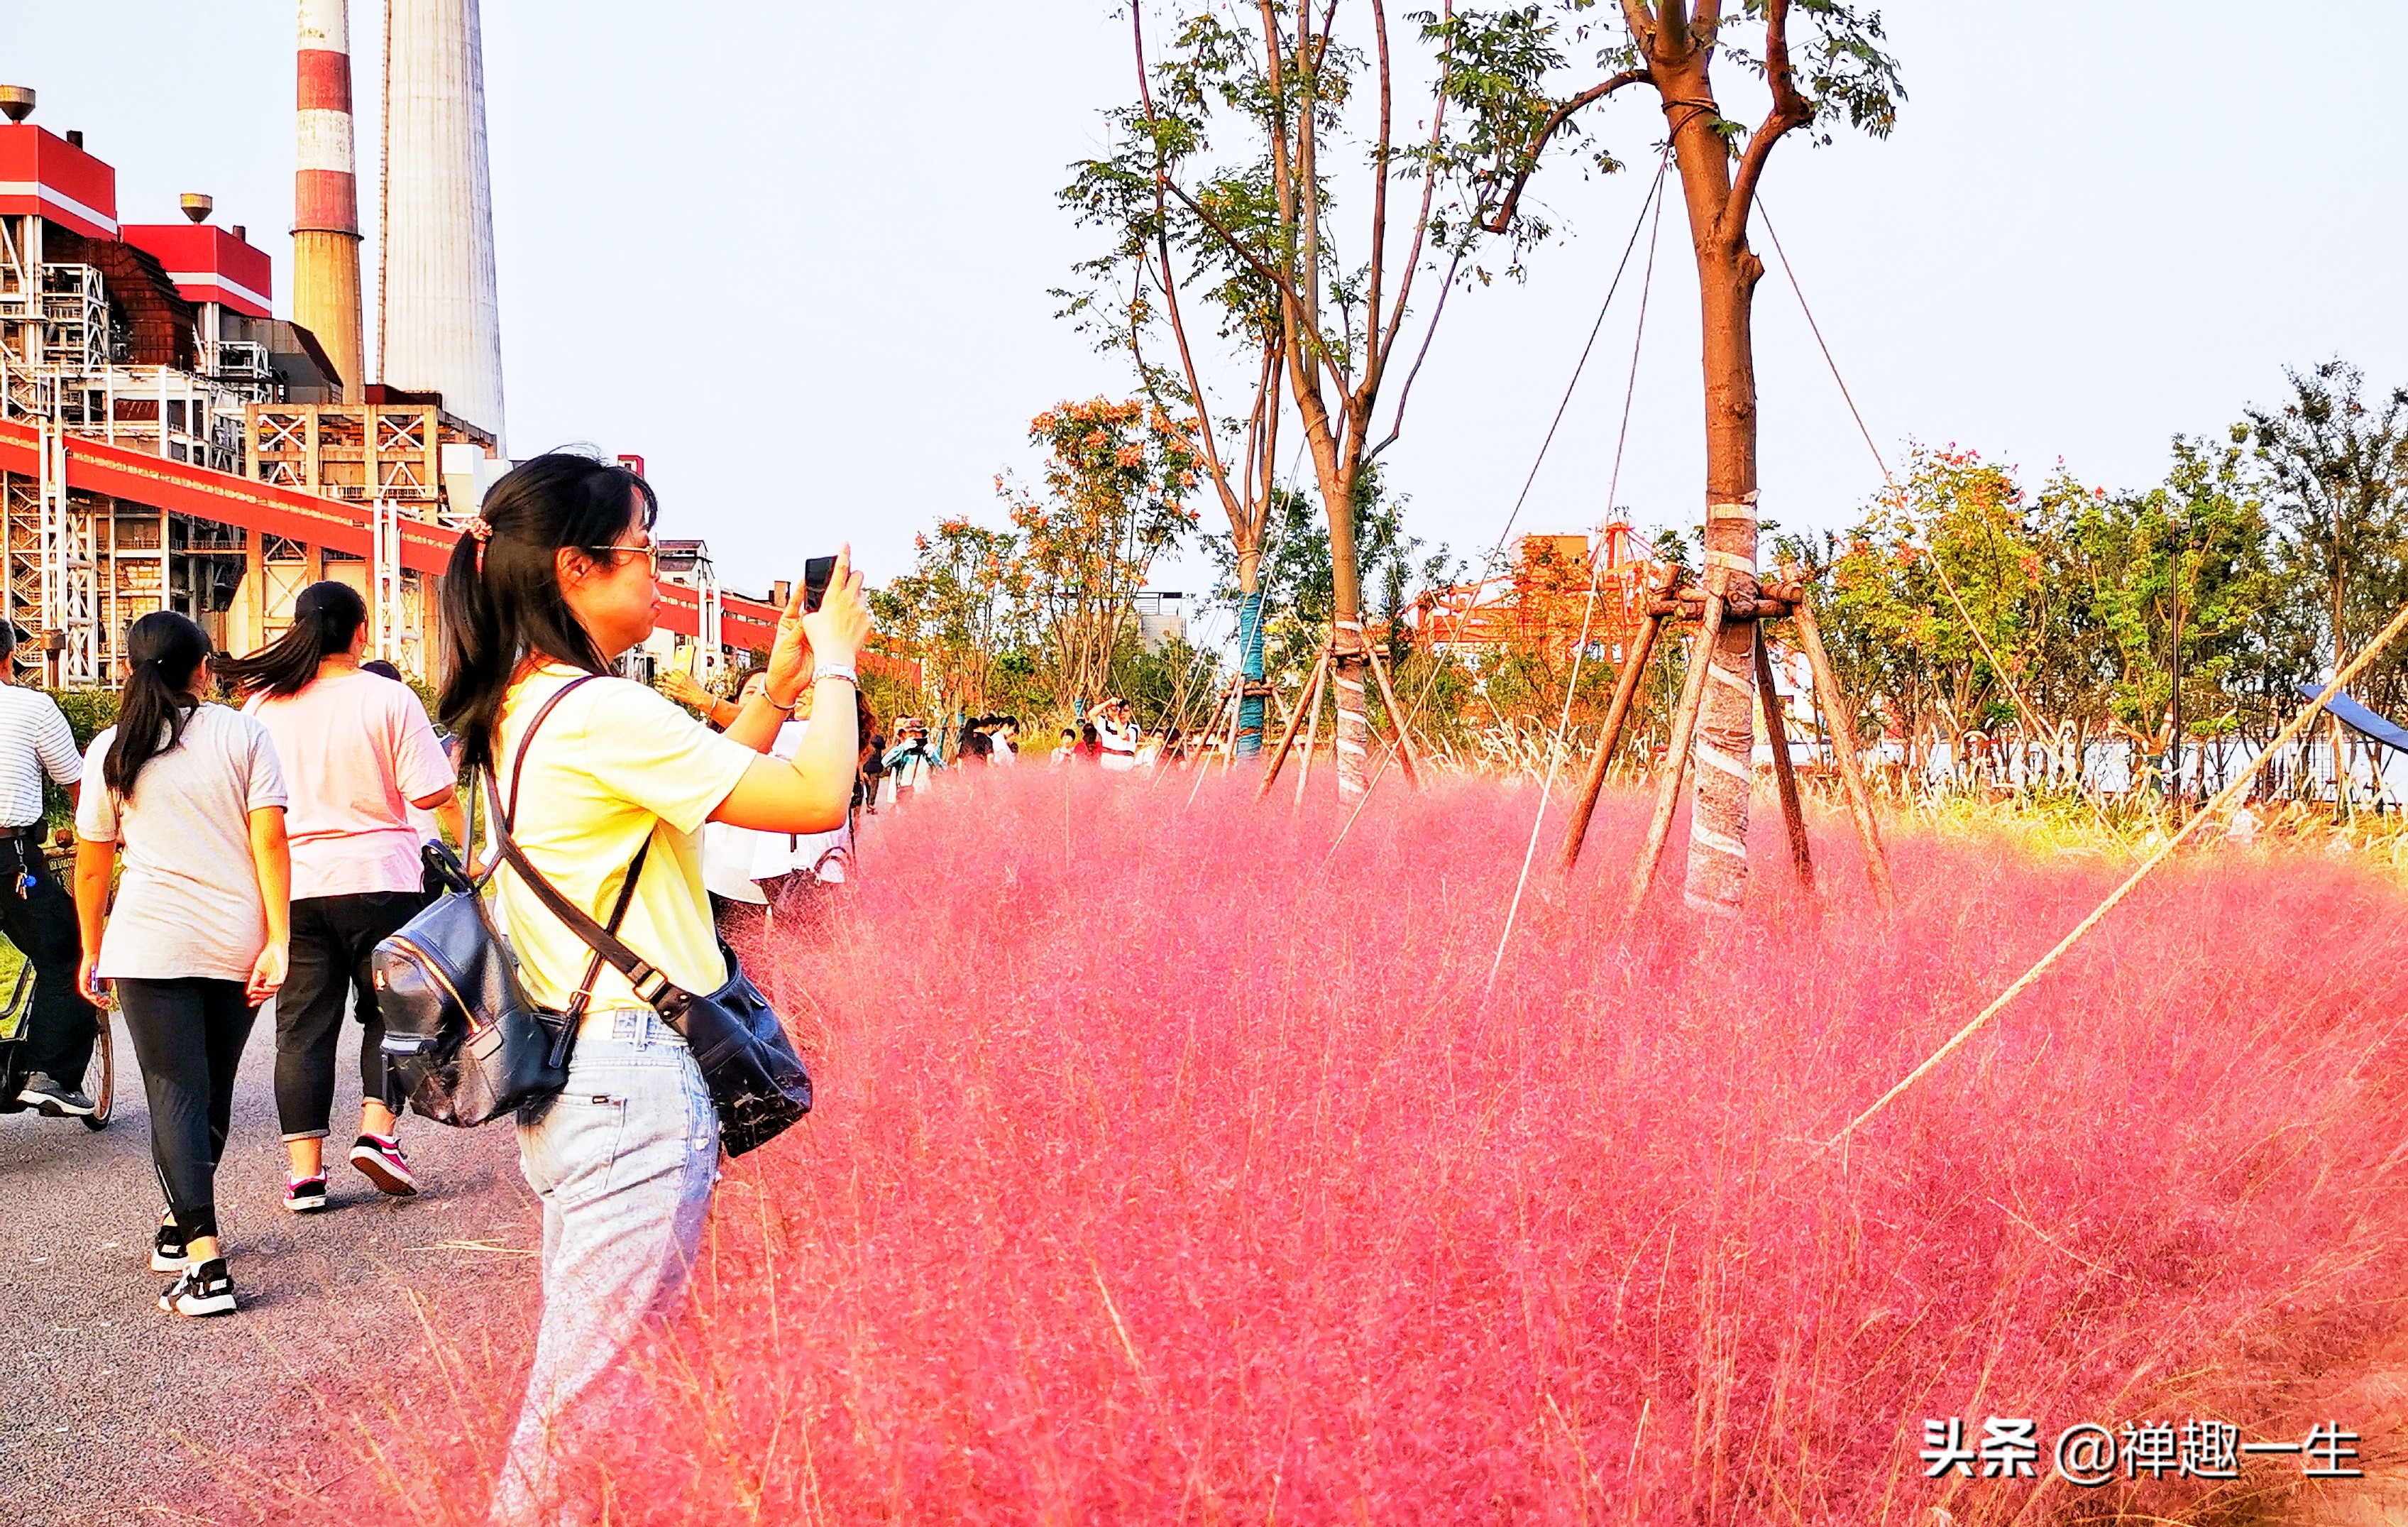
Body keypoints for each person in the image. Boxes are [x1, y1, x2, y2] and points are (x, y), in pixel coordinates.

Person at [435, 451, 868, 1521]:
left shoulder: (527, 704)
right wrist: (844, 665)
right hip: (629, 1078)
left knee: (595, 1385)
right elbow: (818, 798)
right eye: (642, 552)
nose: (656, 575)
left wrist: (772, 694)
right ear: (575, 569)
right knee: (581, 1407)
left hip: (579, 1078)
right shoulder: (595, 711)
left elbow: (697, 796)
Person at [218, 581, 466, 1212]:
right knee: (393, 1013)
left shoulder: (261, 707)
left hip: (295, 882)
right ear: (359, 631)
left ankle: (304, 1175)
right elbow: (432, 793)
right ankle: (378, 1133)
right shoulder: (387, 697)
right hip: (381, 876)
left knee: (301, 1026)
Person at [73, 611, 290, 1318]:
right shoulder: (244, 733)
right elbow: (271, 844)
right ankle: (181, 1229)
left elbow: (91, 867)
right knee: (208, 1096)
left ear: (131, 671)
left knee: (176, 1095)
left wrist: (90, 948)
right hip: (235, 941)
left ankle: (207, 1268)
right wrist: (279, 938)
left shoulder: (113, 747)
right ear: (204, 669)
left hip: (150, 945)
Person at [0, 620, 105, 1118]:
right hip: (13, 862)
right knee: (71, 951)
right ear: (8, 659)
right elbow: (80, 789)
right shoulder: (31, 706)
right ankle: (51, 1074)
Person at [884, 718, 942, 799]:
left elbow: (944, 771)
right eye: (911, 733)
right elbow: (885, 762)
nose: (914, 736)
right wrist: (902, 748)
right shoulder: (900, 752)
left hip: (925, 798)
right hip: (904, 798)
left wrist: (934, 757)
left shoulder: (928, 752)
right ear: (904, 735)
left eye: (917, 733)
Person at [1096, 698, 1140, 771]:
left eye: (1126, 711)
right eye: (1120, 710)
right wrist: (1108, 703)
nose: (1123, 714)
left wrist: (1116, 717)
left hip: (1125, 772)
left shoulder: (1134, 728)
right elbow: (1092, 714)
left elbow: (1123, 735)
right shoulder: (1107, 725)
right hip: (1106, 771)